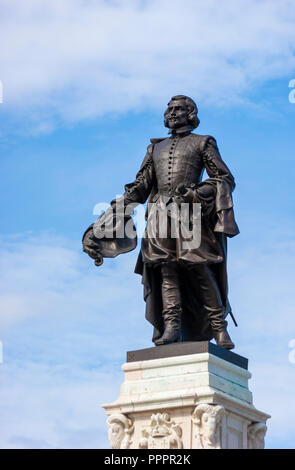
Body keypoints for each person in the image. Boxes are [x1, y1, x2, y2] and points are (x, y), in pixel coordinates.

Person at [83, 95, 239, 349]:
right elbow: (140, 188)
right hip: (158, 215)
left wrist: (198, 193)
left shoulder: (203, 142)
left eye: (179, 109)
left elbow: (224, 178)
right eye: (170, 109)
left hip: (189, 214)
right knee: (165, 270)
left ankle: (219, 329)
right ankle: (172, 327)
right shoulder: (154, 148)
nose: (173, 113)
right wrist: (106, 220)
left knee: (199, 267)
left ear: (191, 114)